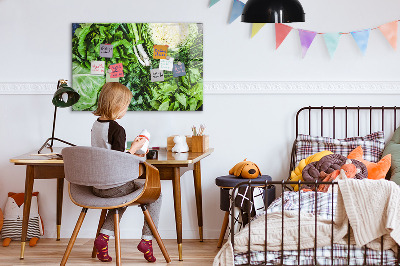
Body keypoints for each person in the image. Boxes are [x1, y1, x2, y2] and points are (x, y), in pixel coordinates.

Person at [91, 82, 161, 263]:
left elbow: (108, 154)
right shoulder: (117, 129)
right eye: (126, 105)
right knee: (156, 194)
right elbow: (119, 161)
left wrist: (130, 150)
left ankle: (103, 238)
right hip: (114, 186)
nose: (126, 109)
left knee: (121, 197)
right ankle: (147, 240)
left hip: (97, 186)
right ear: (117, 105)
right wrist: (135, 148)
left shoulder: (96, 125)